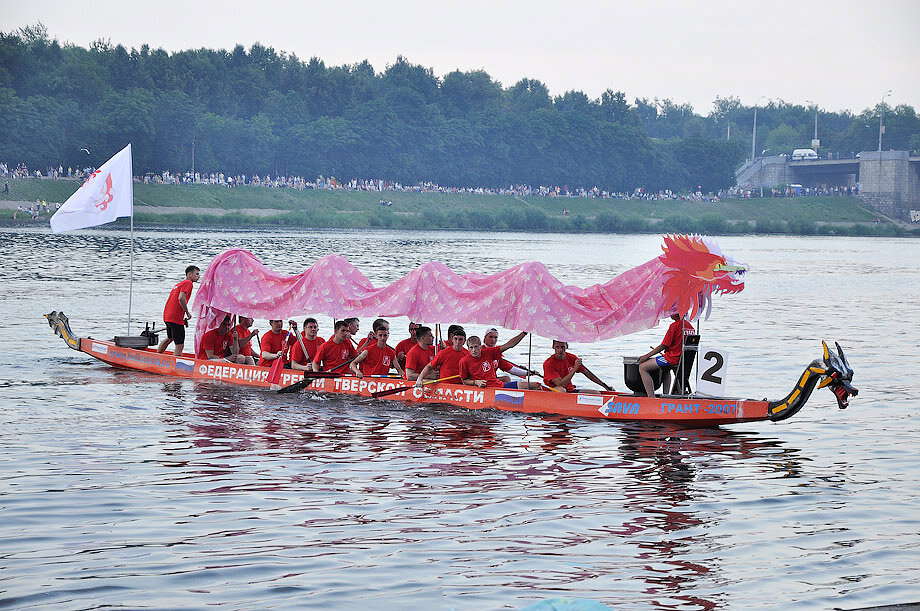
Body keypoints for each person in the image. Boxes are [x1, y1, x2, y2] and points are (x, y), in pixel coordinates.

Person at [638, 314, 695, 397]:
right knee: (665, 369)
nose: (670, 314)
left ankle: (651, 397)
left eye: (673, 311)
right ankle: (666, 395)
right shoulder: (690, 327)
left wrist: (646, 356)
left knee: (642, 367)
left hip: (672, 359)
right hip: (683, 360)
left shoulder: (674, 326)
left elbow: (663, 345)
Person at [461, 336, 543, 390]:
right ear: (468, 348)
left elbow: (509, 345)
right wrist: (476, 382)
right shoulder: (464, 361)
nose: (474, 350)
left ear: (480, 346)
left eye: (476, 347)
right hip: (485, 389)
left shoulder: (488, 352)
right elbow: (464, 381)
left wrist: (524, 333)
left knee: (536, 385)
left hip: (499, 386)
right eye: (471, 347)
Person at [156, 265, 200, 355]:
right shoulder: (188, 283)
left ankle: (157, 355)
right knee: (179, 344)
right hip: (175, 317)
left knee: (170, 337)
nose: (198, 276)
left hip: (168, 316)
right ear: (189, 274)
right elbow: (181, 298)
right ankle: (176, 363)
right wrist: (187, 312)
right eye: (197, 274)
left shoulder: (179, 284)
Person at [543, 340, 613, 393]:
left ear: (567, 346)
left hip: (570, 389)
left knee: (597, 393)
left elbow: (587, 373)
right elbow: (561, 384)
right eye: (557, 347)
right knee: (562, 390)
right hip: (554, 390)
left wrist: (605, 386)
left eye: (562, 347)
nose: (560, 350)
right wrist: (575, 368)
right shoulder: (549, 363)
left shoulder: (572, 357)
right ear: (553, 347)